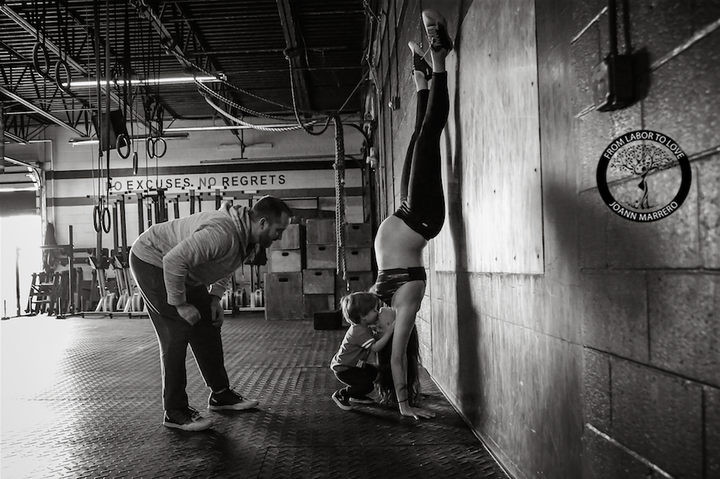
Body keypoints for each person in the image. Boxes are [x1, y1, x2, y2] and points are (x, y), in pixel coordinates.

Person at [129, 195, 292, 431]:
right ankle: (174, 411)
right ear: (264, 223)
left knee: (207, 323)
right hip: (153, 260)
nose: (280, 236)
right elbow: (173, 261)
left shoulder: (246, 236)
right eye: (279, 230)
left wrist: (215, 297)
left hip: (183, 268)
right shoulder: (223, 232)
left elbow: (223, 263)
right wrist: (180, 304)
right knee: (176, 330)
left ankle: (221, 395)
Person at [371, 10, 453, 420]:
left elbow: (358, 338)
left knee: (412, 146)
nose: (375, 324)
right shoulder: (403, 308)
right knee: (427, 138)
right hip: (422, 219)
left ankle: (422, 80)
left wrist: (359, 351)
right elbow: (399, 355)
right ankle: (440, 56)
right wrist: (403, 405)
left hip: (405, 212)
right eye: (379, 331)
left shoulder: (377, 306)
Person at [330, 292, 395, 410]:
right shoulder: (359, 331)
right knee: (366, 385)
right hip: (345, 368)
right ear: (363, 316)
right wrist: (389, 332)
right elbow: (375, 347)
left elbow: (372, 337)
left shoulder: (362, 327)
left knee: (373, 372)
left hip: (354, 364)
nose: (377, 312)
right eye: (374, 310)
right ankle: (342, 394)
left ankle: (357, 395)